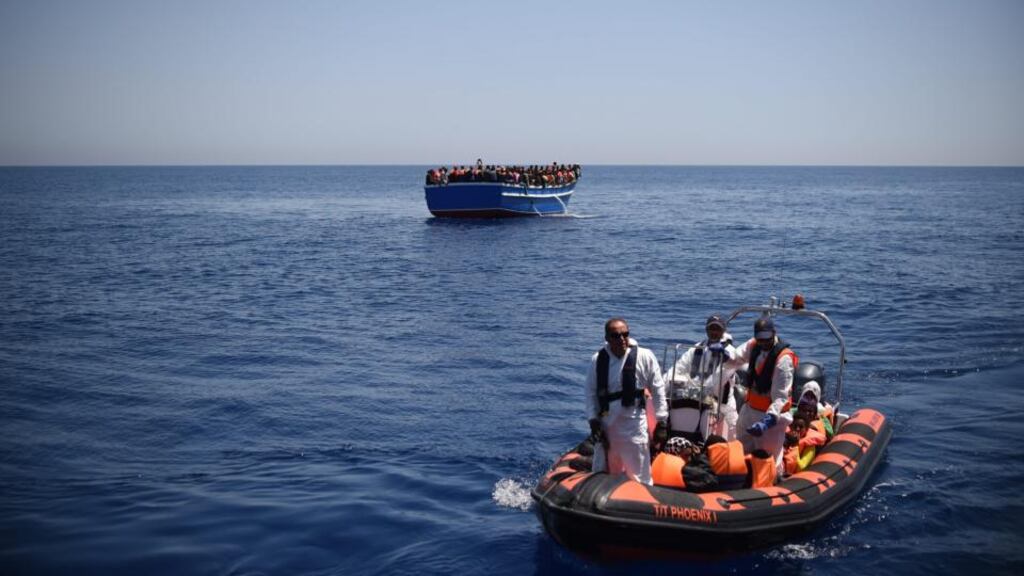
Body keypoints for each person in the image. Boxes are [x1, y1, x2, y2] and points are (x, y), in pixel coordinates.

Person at [585, 317, 668, 485]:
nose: (622, 339)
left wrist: (662, 421)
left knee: (640, 474)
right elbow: (590, 393)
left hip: (634, 425)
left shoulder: (645, 356)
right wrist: (593, 420)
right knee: (604, 470)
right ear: (607, 338)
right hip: (607, 425)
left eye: (625, 334)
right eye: (616, 335)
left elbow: (658, 390)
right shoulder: (598, 360)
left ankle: (642, 497)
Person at [732, 316, 798, 475]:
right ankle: (741, 480)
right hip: (749, 410)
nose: (763, 343)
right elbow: (737, 357)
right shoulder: (754, 345)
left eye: (766, 339)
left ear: (773, 334)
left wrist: (768, 421)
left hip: (771, 419)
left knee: (770, 461)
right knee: (741, 449)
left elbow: (781, 397)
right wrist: (723, 353)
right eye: (759, 339)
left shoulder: (783, 360)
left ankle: (776, 481)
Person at [664, 315, 740, 442]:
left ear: (723, 331)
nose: (714, 332)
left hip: (721, 404)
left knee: (722, 438)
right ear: (706, 329)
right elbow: (679, 367)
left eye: (717, 329)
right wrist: (664, 386)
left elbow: (719, 380)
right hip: (697, 399)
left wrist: (703, 392)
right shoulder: (696, 348)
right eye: (711, 328)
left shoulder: (730, 352)